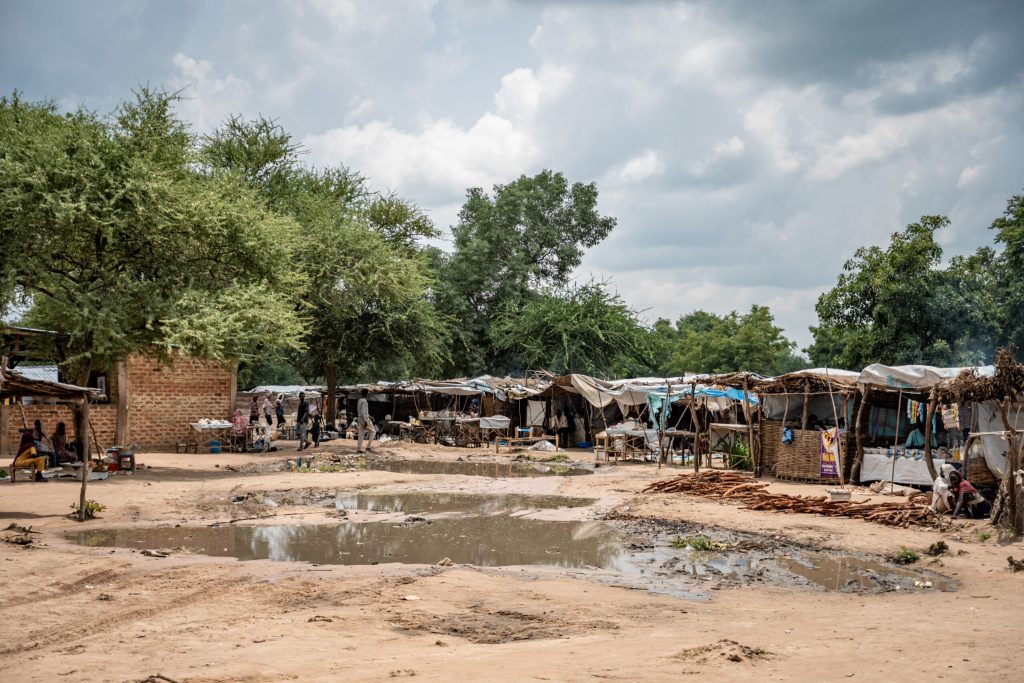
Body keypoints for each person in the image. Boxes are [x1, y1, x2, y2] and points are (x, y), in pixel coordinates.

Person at [356, 388, 376, 453]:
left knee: (361, 433)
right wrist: (365, 421)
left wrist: (370, 417)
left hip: (360, 418)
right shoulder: (364, 401)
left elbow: (362, 411)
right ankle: (368, 446)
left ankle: (358, 448)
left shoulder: (359, 400)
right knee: (373, 432)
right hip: (363, 418)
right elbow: (363, 412)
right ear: (367, 394)